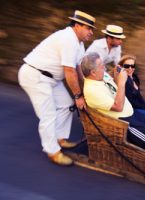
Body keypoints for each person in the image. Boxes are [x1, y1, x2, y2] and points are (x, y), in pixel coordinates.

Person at [18, 10, 96, 166]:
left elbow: (78, 68)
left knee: (67, 105)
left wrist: (90, 86)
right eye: (88, 28)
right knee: (48, 114)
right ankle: (52, 151)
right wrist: (78, 95)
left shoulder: (79, 44)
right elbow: (69, 71)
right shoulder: (68, 39)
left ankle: (59, 138)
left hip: (52, 79)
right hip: (36, 76)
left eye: (92, 29)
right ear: (77, 25)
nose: (91, 32)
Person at [82, 52, 145, 163]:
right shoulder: (91, 90)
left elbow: (113, 79)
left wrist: (117, 74)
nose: (104, 67)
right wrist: (121, 82)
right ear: (93, 72)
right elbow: (118, 107)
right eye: (101, 66)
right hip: (122, 123)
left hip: (131, 112)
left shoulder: (102, 76)